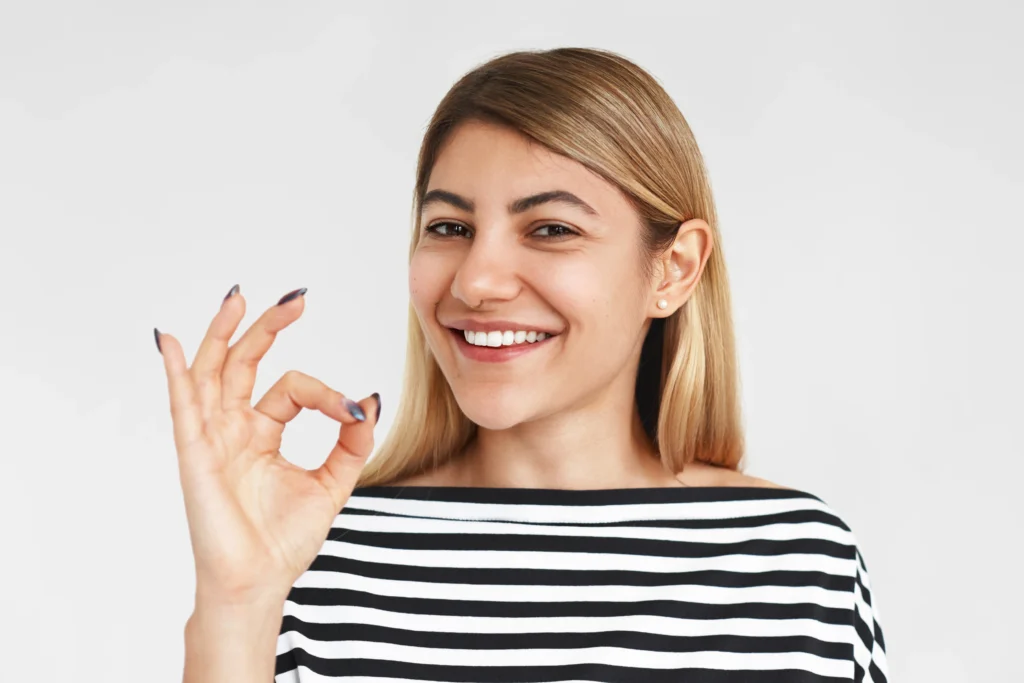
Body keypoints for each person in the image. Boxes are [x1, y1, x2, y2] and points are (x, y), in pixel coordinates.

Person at [158, 47, 888, 683]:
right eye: (450, 226)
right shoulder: (307, 550)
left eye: (551, 228)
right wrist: (237, 602)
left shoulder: (794, 565)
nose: (477, 280)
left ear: (674, 268)